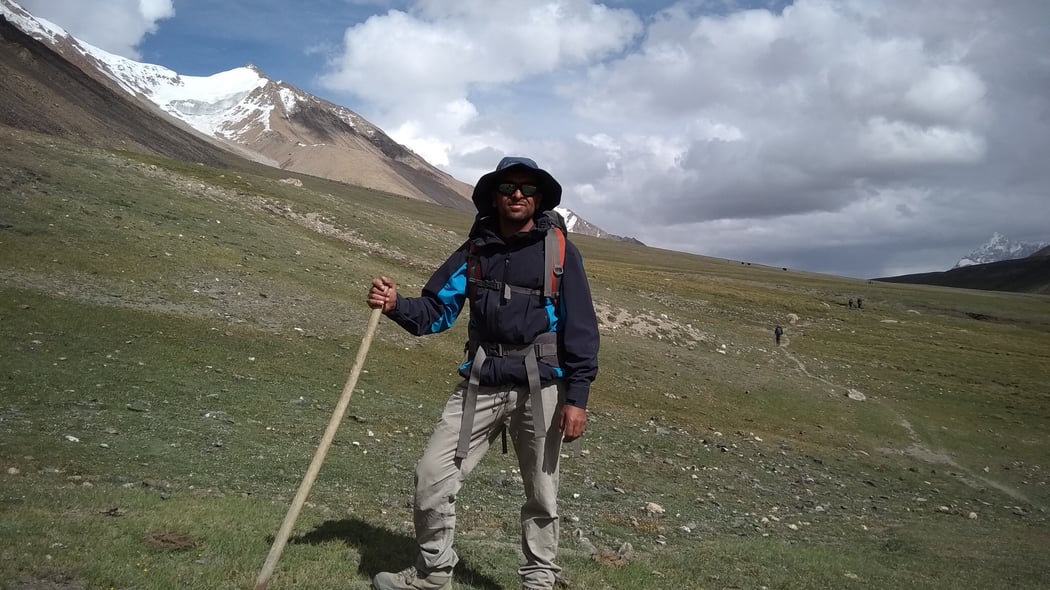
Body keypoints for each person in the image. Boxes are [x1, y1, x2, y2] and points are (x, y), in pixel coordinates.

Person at [367, 156, 600, 590]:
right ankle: (435, 574)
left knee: (541, 493)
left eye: (527, 189)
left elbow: (582, 329)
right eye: (508, 186)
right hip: (481, 383)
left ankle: (539, 580)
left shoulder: (561, 252)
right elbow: (437, 311)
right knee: (431, 477)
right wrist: (398, 305)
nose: (517, 194)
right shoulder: (475, 251)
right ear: (493, 195)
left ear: (538, 199)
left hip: (541, 388)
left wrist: (577, 398)